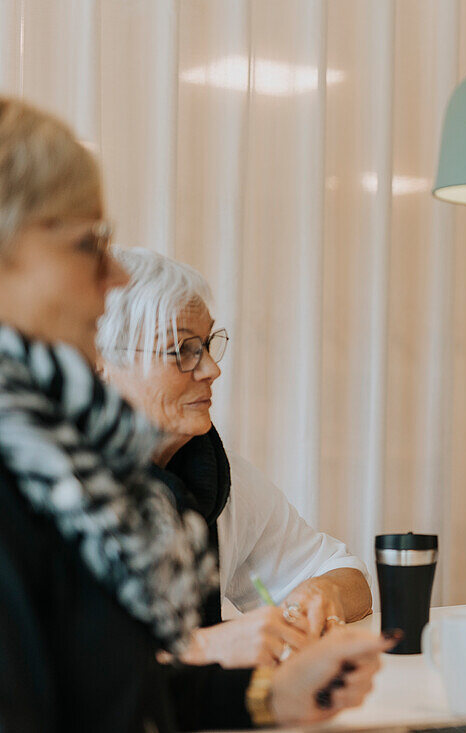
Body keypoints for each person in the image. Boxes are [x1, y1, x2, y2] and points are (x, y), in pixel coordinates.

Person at [0, 96, 391, 731]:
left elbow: (110, 689)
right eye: (85, 243)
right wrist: (202, 652)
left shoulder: (77, 465)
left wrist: (274, 696)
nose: (111, 274)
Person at [97, 247, 372, 668]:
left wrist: (319, 596)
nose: (211, 369)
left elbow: (348, 577)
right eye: (182, 350)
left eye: (206, 345)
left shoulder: (215, 478)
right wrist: (204, 649)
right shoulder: (45, 487)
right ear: (101, 364)